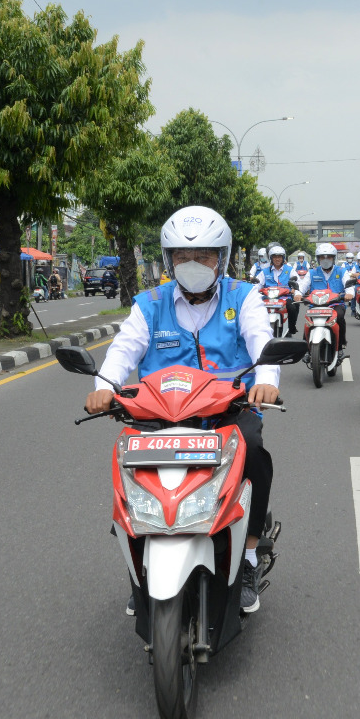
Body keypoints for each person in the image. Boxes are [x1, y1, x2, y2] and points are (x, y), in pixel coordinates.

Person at [85, 206, 279, 614]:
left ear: (222, 258)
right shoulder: (149, 304)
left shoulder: (243, 296)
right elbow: (123, 350)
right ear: (169, 258)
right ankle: (141, 563)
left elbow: (261, 340)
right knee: (127, 465)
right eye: (182, 255)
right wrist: (103, 387)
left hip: (227, 412)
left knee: (254, 453)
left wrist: (266, 381)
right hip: (159, 416)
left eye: (203, 255)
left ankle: (247, 556)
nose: (193, 263)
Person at [294, 242, 349, 349]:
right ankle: (306, 347)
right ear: (318, 259)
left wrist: (349, 293)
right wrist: (298, 294)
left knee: (339, 316)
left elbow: (348, 284)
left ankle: (341, 344)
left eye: (329, 257)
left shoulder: (342, 271)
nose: (325, 260)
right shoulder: (312, 272)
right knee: (309, 321)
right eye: (322, 257)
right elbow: (302, 285)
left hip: (336, 304)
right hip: (316, 305)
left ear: (334, 258)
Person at [260, 246, 299, 336]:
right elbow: (258, 285)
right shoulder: (265, 272)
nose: (277, 259)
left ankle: (291, 327)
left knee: (293, 307)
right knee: (257, 307)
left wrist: (295, 290)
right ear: (271, 258)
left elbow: (297, 282)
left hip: (284, 298)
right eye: (275, 257)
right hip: (268, 298)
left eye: (279, 257)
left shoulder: (289, 270)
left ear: (283, 258)